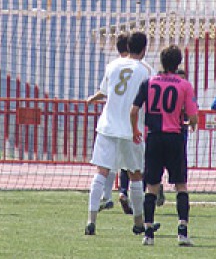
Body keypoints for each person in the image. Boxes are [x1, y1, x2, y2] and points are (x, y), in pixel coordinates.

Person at [131, 45, 199, 246]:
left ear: (161, 61)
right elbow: (193, 115)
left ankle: (149, 234)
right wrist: (191, 124)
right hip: (174, 138)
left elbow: (134, 110)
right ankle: (182, 232)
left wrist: (135, 130)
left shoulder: (148, 82)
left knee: (151, 186)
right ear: (178, 63)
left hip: (153, 137)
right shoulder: (184, 84)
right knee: (181, 185)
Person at [84, 31, 150, 236]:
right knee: (136, 175)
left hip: (107, 126)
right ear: (144, 49)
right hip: (132, 130)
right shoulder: (146, 71)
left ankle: (91, 220)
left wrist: (91, 99)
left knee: (101, 173)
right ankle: (138, 222)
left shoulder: (112, 66)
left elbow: (104, 91)